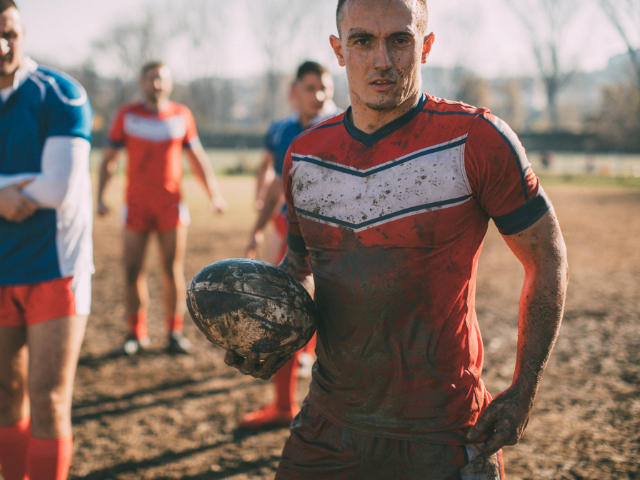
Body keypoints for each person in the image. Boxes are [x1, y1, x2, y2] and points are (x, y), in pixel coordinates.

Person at [225, 0, 569, 478]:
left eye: (400, 40)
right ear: (339, 50)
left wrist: (524, 388)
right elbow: (298, 270)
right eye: (363, 41)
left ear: (425, 46)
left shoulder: (477, 139)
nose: (382, 60)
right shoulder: (305, 155)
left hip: (445, 431)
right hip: (329, 426)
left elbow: (547, 258)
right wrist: (261, 333)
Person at [0, 2, 94, 479]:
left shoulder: (62, 95)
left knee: (48, 396)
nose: (2, 47)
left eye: (9, 33)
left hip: (56, 269)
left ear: (22, 31)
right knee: (2, 395)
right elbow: (17, 196)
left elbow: (55, 187)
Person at [97, 62, 228, 355]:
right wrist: (100, 196)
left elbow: (197, 159)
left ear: (169, 84)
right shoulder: (127, 115)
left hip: (171, 206)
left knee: (171, 270)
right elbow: (108, 158)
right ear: (142, 82)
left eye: (161, 79)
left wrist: (214, 195)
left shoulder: (181, 115)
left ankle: (174, 333)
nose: (156, 84)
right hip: (136, 206)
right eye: (151, 78)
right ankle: (136, 334)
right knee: (132, 271)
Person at [240, 61, 338, 429]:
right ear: (294, 92)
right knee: (282, 312)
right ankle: (283, 405)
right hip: (290, 230)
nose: (319, 95)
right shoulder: (282, 131)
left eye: (324, 87)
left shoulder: (344, 126)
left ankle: (315, 379)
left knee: (330, 317)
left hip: (333, 239)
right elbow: (275, 184)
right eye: (311, 87)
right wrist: (257, 228)